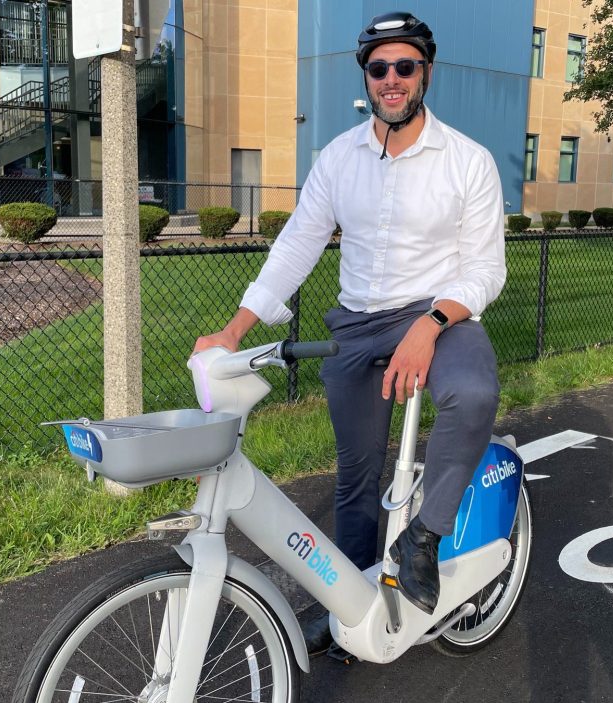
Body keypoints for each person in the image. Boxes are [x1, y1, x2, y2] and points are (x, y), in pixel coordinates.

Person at [193, 10, 506, 657]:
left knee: (473, 395)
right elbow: (296, 245)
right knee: (356, 477)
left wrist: (432, 322)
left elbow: (485, 268)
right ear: (366, 77)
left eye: (404, 66)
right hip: (358, 324)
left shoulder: (468, 162)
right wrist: (233, 327)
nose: (391, 79)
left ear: (425, 72)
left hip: (438, 314)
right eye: (378, 68)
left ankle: (423, 536)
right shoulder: (338, 157)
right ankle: (346, 599)